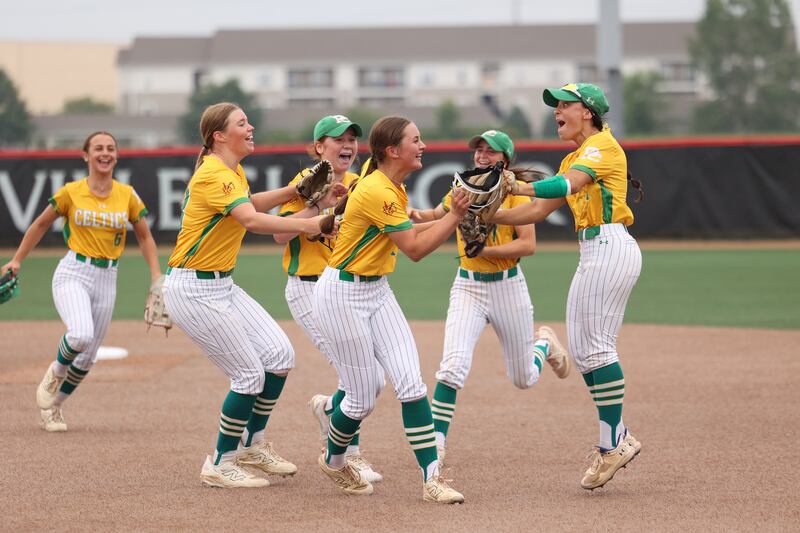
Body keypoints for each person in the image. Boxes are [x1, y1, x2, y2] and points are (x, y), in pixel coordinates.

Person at [161, 102, 335, 489]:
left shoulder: (230, 171)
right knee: (248, 375)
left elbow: (249, 204)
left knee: (279, 355)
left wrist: (295, 191)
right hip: (194, 289)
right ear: (218, 136)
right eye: (242, 123)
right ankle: (220, 463)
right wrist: (313, 223)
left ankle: (252, 445)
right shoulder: (213, 175)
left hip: (220, 284)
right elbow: (252, 220)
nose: (251, 126)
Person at [490, 83, 644, 490]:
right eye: (555, 105)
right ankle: (618, 437)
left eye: (564, 105)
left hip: (610, 244)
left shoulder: (601, 147)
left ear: (588, 113)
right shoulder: (575, 155)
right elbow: (541, 208)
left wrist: (516, 186)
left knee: (598, 348)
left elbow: (564, 187)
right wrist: (493, 219)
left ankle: (612, 443)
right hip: (594, 249)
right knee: (581, 348)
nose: (557, 110)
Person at [312, 116, 470, 503]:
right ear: (392, 151)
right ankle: (333, 460)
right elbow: (414, 250)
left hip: (377, 290)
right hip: (341, 295)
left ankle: (433, 480)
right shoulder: (378, 190)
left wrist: (446, 215)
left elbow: (411, 233)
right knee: (364, 395)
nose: (424, 146)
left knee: (411, 383)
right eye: (416, 140)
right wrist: (454, 215)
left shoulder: (392, 188)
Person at [408, 129, 571, 466]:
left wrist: (487, 249)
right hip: (468, 286)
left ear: (505, 160)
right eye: (479, 150)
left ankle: (543, 344)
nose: (482, 156)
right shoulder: (462, 188)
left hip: (508, 287)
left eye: (491, 151)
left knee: (524, 379)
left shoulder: (514, 196)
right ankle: (435, 448)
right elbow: (435, 217)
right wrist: (410, 217)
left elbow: (528, 245)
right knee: (452, 368)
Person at [1, 131, 161, 432]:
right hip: (74, 271)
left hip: (107, 278)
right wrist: (18, 259)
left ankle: (54, 407)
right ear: (85, 155)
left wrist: (156, 276)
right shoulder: (70, 192)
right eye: (98, 148)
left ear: (116, 156)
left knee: (87, 359)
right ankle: (55, 372)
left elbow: (144, 236)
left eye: (111, 148)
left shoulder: (127, 194)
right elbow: (40, 224)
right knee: (80, 335)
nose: (105, 153)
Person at [272, 114, 384, 483]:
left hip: (346, 288)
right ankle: (348, 454)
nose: (348, 145)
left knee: (366, 373)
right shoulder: (305, 184)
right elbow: (279, 236)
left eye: (352, 138)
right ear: (320, 147)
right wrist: (320, 205)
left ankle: (328, 413)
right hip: (308, 288)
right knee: (355, 373)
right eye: (338, 139)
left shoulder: (360, 183)